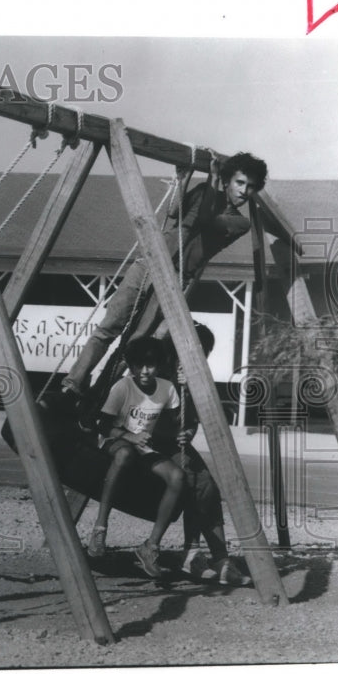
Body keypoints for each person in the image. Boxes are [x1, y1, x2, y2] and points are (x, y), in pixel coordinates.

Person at [62, 152, 268, 398]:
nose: (244, 191)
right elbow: (173, 212)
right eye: (240, 182)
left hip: (175, 278)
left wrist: (212, 178)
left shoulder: (239, 222)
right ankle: (73, 384)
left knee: (135, 342)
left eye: (250, 186)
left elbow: (205, 220)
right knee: (108, 327)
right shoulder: (204, 191)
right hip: (149, 263)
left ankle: (99, 395)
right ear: (228, 181)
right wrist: (183, 179)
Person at [150, 323, 252, 586]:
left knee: (209, 486)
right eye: (198, 349)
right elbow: (143, 415)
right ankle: (194, 554)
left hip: (174, 444)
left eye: (204, 351)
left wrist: (189, 432)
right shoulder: (156, 371)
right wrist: (175, 385)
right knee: (199, 481)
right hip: (152, 443)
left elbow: (192, 418)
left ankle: (216, 557)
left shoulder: (192, 377)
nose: (200, 355)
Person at [87, 337, 184, 578]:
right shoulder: (123, 387)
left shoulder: (168, 388)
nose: (144, 371)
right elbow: (103, 426)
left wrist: (186, 395)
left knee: (177, 477)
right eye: (138, 365)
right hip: (116, 441)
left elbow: (173, 425)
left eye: (150, 365)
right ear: (131, 365)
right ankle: (100, 529)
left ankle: (150, 547)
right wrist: (131, 436)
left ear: (159, 365)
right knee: (124, 454)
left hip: (144, 446)